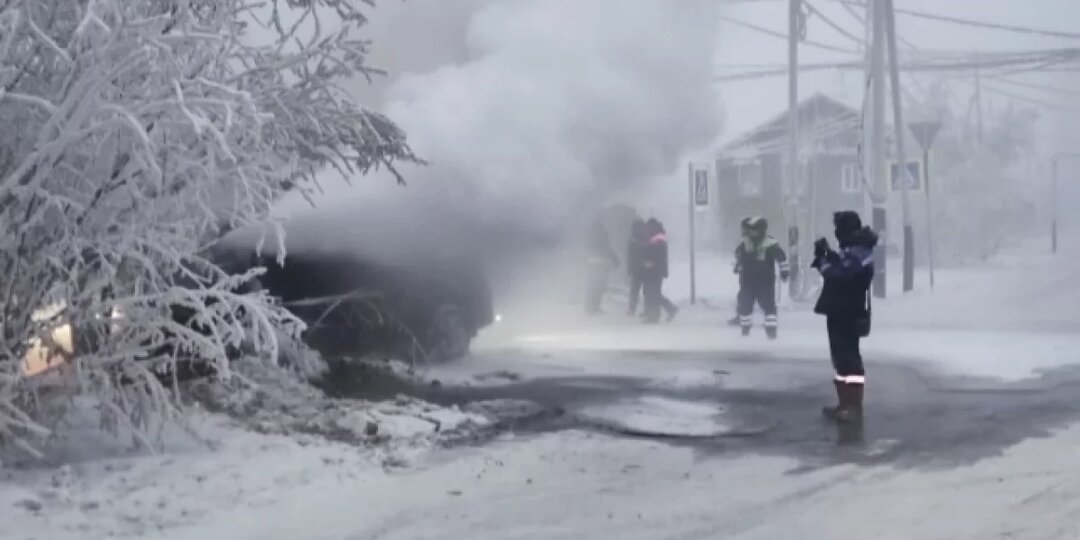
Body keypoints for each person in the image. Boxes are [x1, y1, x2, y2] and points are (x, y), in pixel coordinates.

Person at [811, 211, 878, 423]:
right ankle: (844, 404)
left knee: (849, 359)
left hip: (848, 311)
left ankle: (853, 407)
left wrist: (823, 262)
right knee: (840, 359)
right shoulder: (851, 249)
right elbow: (841, 266)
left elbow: (841, 275)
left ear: (848, 229)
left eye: (839, 228)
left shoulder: (861, 251)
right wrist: (828, 254)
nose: (837, 233)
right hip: (839, 310)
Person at [734, 217, 789, 338]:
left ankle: (771, 332)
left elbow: (781, 256)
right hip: (747, 280)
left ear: (760, 230)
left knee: (769, 305)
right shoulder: (746, 243)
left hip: (765, 280)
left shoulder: (769, 243)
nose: (748, 232)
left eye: (751, 230)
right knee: (745, 304)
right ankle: (745, 331)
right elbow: (739, 255)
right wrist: (738, 266)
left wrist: (784, 270)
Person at [641, 218, 678, 323]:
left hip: (655, 270)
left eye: (647, 227)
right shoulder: (657, 237)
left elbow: (656, 255)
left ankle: (662, 312)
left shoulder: (657, 239)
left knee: (653, 293)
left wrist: (650, 262)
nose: (646, 230)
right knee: (652, 293)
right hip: (655, 270)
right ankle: (656, 314)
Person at [585, 218, 619, 315]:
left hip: (592, 265)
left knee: (593, 287)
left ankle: (590, 307)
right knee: (598, 287)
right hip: (601, 266)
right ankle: (594, 307)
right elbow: (608, 250)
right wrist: (615, 261)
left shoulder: (589, 237)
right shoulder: (603, 237)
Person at [727, 217, 752, 327]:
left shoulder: (749, 239)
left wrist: (738, 266)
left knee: (743, 296)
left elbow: (744, 255)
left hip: (748, 274)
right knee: (743, 296)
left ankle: (741, 317)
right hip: (749, 273)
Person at [626, 218, 648, 316]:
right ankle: (646, 310)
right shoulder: (646, 237)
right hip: (644, 267)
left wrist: (629, 268)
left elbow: (630, 255)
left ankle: (632, 309)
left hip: (636, 268)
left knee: (634, 291)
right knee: (646, 291)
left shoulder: (633, 239)